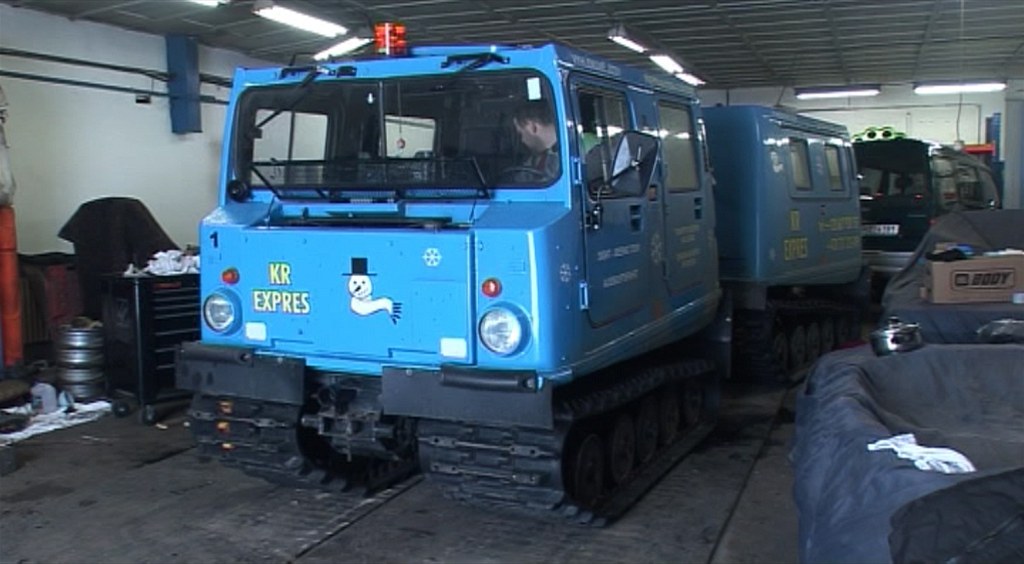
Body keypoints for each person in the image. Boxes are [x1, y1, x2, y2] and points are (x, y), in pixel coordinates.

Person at [510, 100, 559, 182]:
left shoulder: (563, 160)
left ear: (533, 127)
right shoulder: (535, 159)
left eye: (521, 134)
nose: (522, 140)